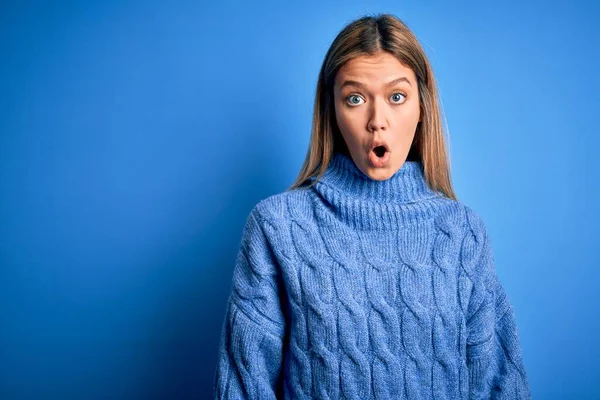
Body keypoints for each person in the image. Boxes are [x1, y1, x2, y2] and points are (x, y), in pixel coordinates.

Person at [213, 13, 531, 400]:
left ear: (422, 107)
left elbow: (500, 385)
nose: (377, 121)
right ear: (332, 111)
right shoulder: (276, 226)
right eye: (355, 98)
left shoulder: (463, 233)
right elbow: (245, 388)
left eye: (397, 97)